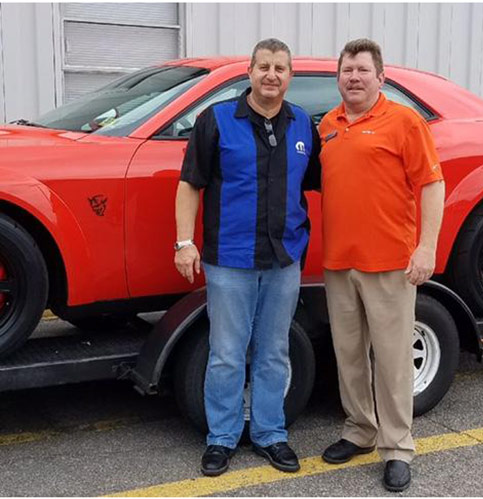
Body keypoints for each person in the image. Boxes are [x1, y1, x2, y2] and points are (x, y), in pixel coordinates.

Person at [174, 38, 320, 477]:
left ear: (289, 76)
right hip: (229, 260)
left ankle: (270, 433)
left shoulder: (303, 126)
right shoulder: (215, 121)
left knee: (274, 351)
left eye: (279, 68)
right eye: (263, 67)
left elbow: (321, 184)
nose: (271, 75)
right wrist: (184, 242)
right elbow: (189, 184)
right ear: (250, 72)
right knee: (226, 353)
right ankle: (221, 438)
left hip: (284, 261)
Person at [316, 38, 445, 492]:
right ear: (338, 77)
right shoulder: (328, 125)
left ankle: (397, 447)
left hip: (390, 261)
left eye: (362, 70)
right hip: (338, 262)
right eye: (347, 70)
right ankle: (360, 430)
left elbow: (432, 185)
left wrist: (425, 248)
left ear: (380, 77)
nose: (353, 77)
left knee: (391, 362)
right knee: (349, 356)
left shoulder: (404, 121)